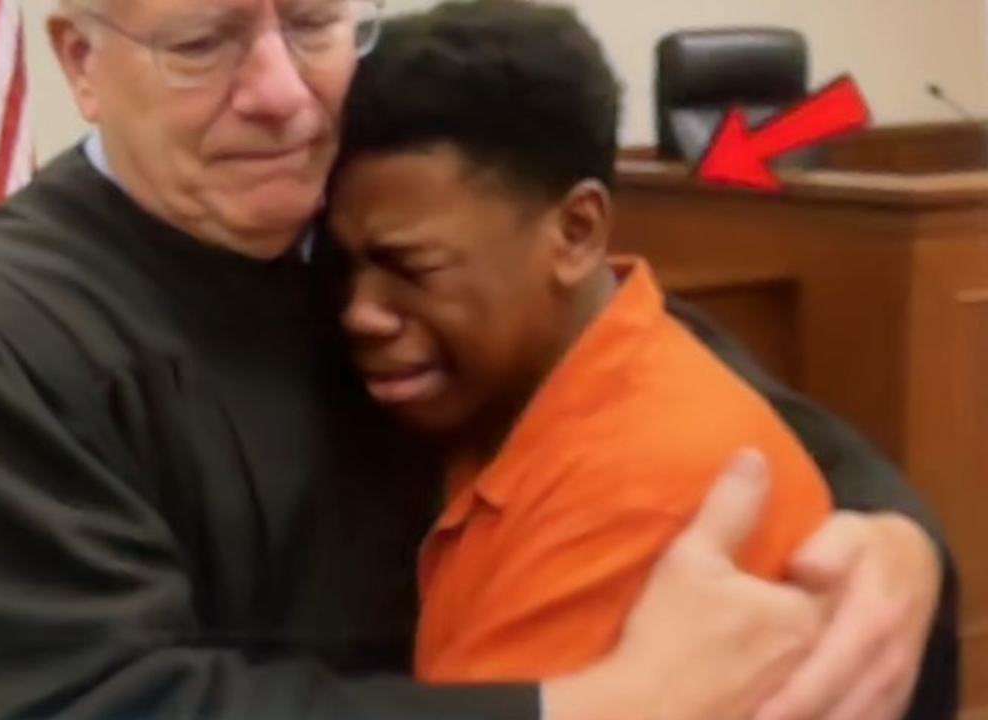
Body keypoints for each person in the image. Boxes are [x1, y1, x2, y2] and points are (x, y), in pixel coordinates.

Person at [0, 1, 957, 719]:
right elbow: (91, 701)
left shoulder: (362, 217)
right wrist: (584, 709)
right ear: (79, 57)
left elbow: (638, 369)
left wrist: (891, 536)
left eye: (314, 23)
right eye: (203, 44)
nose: (280, 97)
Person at [329, 0, 834, 683]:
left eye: (411, 267)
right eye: (345, 266)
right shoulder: (508, 400)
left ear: (575, 232)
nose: (359, 314)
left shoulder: (638, 488)